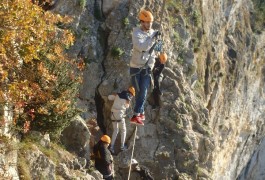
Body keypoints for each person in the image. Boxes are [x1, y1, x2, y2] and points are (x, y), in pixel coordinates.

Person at [129, 9, 161, 125]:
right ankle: (138, 113)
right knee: (139, 91)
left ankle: (137, 114)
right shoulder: (136, 33)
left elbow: (157, 50)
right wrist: (152, 39)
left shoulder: (152, 32)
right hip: (136, 68)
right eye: (147, 22)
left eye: (150, 23)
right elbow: (141, 47)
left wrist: (159, 40)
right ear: (141, 22)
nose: (149, 25)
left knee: (144, 91)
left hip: (147, 67)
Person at [107, 86, 136, 154]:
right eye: (132, 95)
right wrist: (129, 100)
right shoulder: (127, 99)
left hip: (113, 115)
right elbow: (127, 106)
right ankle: (122, 146)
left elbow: (109, 97)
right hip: (119, 116)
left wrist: (115, 95)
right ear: (131, 94)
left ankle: (111, 147)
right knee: (123, 130)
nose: (132, 97)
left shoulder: (118, 95)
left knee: (116, 130)